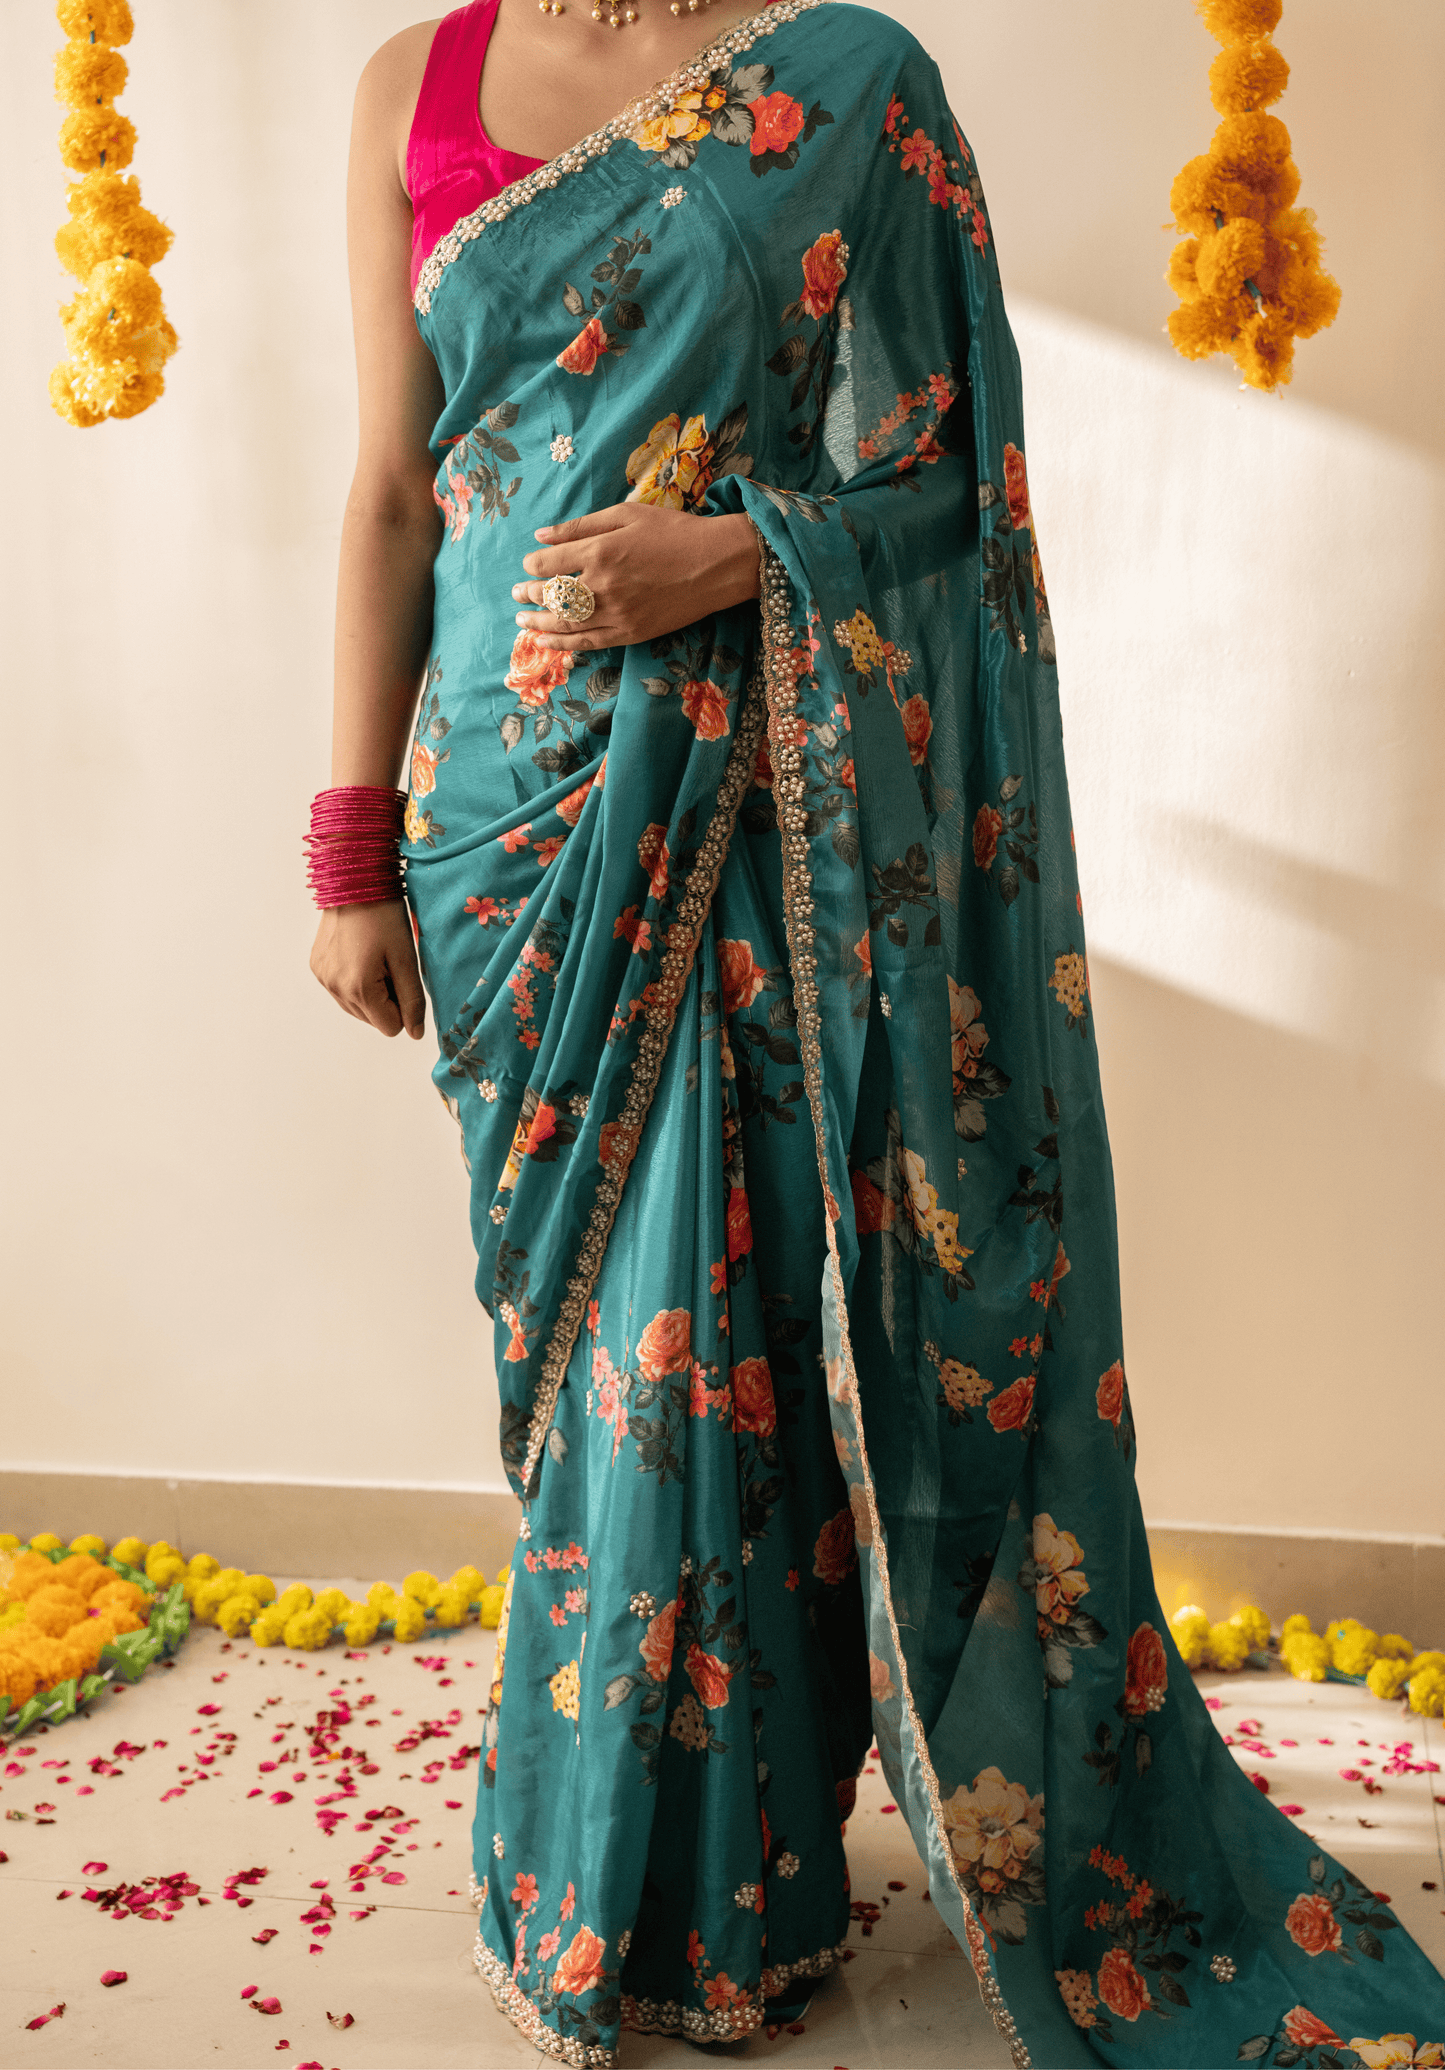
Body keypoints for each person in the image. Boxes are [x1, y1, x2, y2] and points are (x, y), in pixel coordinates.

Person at [307, 3, 1445, 2062]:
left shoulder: (845, 87)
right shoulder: (410, 80)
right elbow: (391, 493)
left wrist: (733, 556)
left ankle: (700, 1890)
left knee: (716, 1354)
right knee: (584, 1368)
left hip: (739, 805)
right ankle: (602, 1843)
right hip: (501, 817)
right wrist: (346, 844)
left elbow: (951, 484)